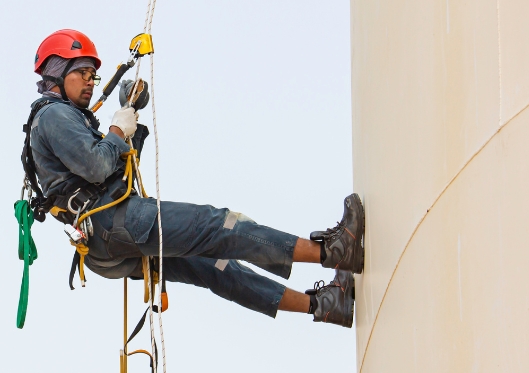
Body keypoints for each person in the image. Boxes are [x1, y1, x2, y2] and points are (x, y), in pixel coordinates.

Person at [24, 29, 364, 327]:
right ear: (57, 73)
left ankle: (325, 306)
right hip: (113, 222)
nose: (89, 81)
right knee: (220, 226)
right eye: (82, 72)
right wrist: (115, 129)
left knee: (214, 267)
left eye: (92, 75)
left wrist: (131, 122)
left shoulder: (70, 121)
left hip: (106, 240)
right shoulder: (54, 114)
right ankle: (333, 251)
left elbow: (116, 174)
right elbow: (98, 167)